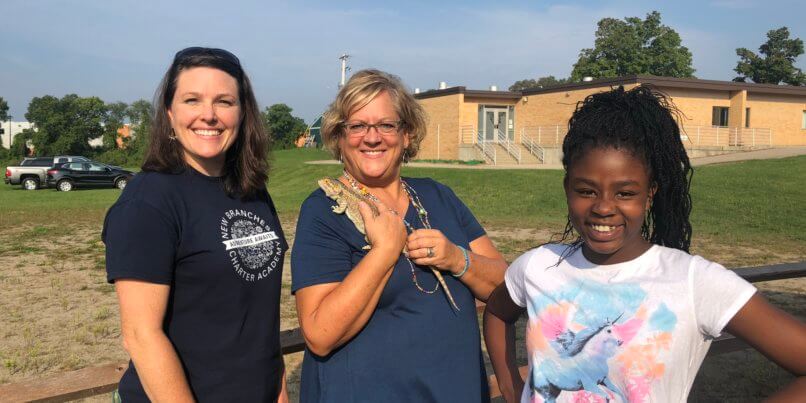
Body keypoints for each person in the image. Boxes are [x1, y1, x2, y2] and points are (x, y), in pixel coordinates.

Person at [484, 86, 806, 402]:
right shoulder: (538, 265)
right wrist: (511, 388)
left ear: (650, 194)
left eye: (625, 193)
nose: (604, 207)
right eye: (586, 191)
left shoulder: (694, 282)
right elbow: (498, 313)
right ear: (567, 188)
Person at [291, 69, 509, 402]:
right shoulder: (322, 210)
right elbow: (320, 335)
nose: (372, 138)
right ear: (339, 136)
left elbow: (507, 287)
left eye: (386, 125)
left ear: (406, 134)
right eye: (357, 126)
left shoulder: (438, 195)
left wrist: (458, 259)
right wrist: (384, 252)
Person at [103, 47, 288, 402]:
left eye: (224, 102)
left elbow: (261, 316)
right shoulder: (149, 201)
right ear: (170, 113)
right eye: (192, 100)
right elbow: (141, 336)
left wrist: (278, 391)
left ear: (243, 112)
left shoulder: (251, 189)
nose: (209, 115)